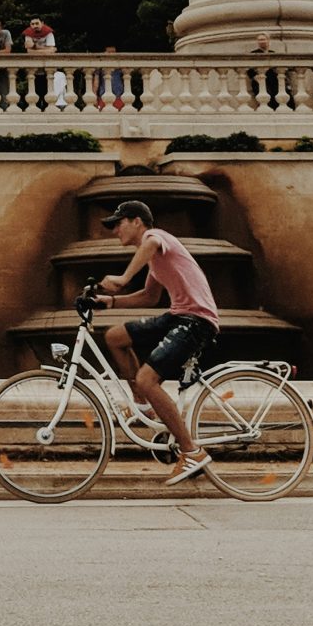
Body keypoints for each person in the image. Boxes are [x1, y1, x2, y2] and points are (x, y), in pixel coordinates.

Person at [92, 199, 220, 485]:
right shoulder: (154, 258)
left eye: (118, 223)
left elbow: (150, 244)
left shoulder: (156, 238)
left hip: (196, 320)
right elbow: (150, 298)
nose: (115, 231)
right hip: (178, 316)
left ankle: (192, 452)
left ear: (137, 221)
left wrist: (124, 278)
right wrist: (110, 301)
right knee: (114, 337)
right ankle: (144, 405)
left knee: (148, 379)